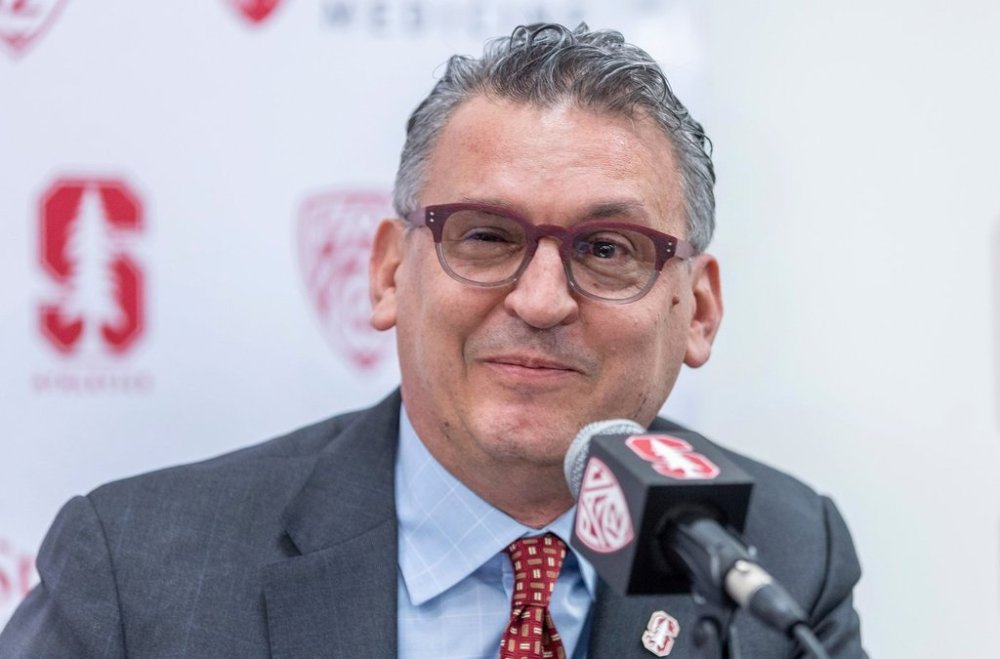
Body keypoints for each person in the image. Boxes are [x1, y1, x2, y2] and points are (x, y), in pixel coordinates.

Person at [0, 23, 866, 658]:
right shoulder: (138, 569)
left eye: (608, 250)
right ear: (387, 274)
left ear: (700, 309)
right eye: (485, 236)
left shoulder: (780, 556)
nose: (540, 299)